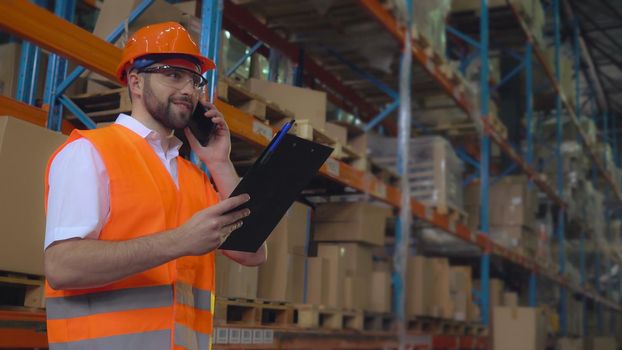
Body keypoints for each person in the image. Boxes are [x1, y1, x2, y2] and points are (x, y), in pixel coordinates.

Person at [43, 22, 267, 349]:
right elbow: (62, 267)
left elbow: (252, 252)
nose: (189, 90)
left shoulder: (195, 176)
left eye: (195, 80)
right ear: (136, 81)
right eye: (173, 75)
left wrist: (220, 162)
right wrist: (180, 240)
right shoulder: (90, 152)